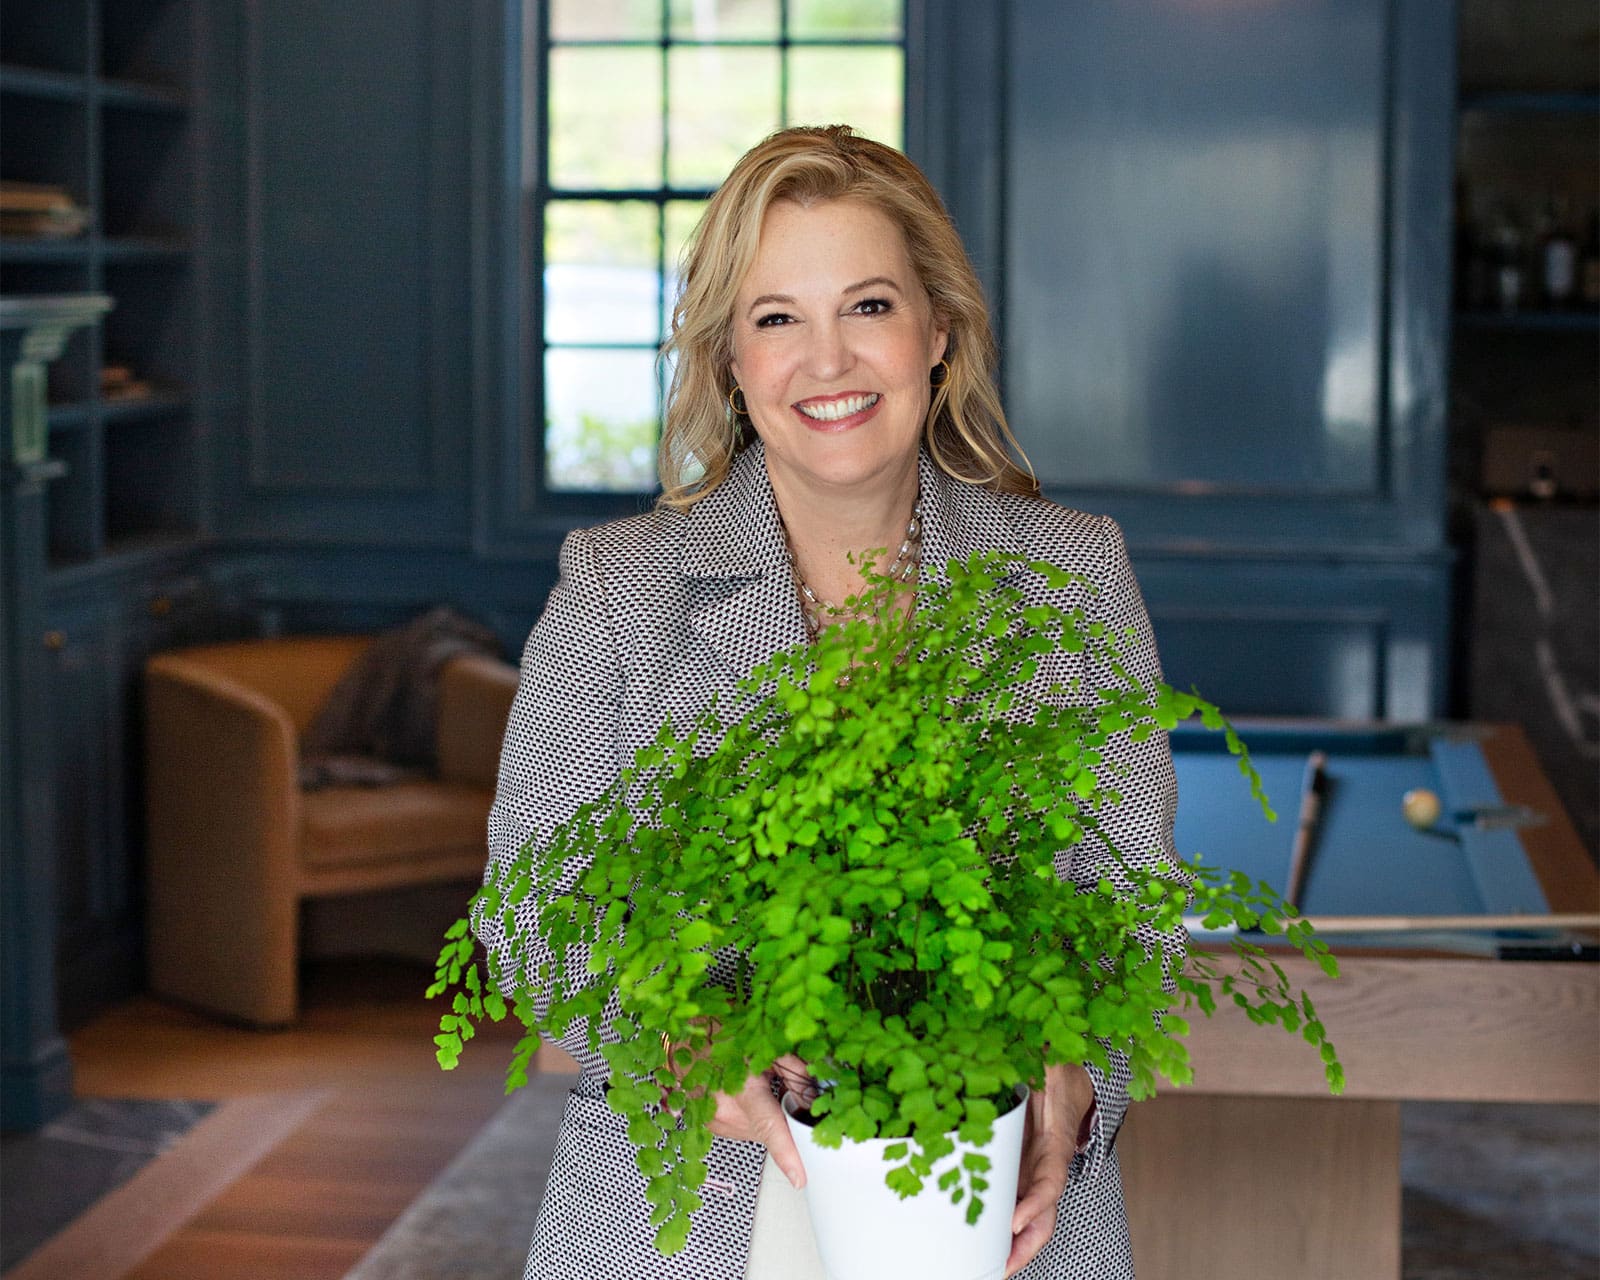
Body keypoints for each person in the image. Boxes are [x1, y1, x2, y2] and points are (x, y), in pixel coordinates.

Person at [480, 124, 1181, 1280]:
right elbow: (531, 915)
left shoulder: (1070, 571)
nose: (828, 360)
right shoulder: (617, 588)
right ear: (729, 363)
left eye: (867, 306)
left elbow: (1126, 908)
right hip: (684, 1216)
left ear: (937, 332)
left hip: (996, 1216)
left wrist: (1076, 1075)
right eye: (775, 318)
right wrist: (684, 1044)